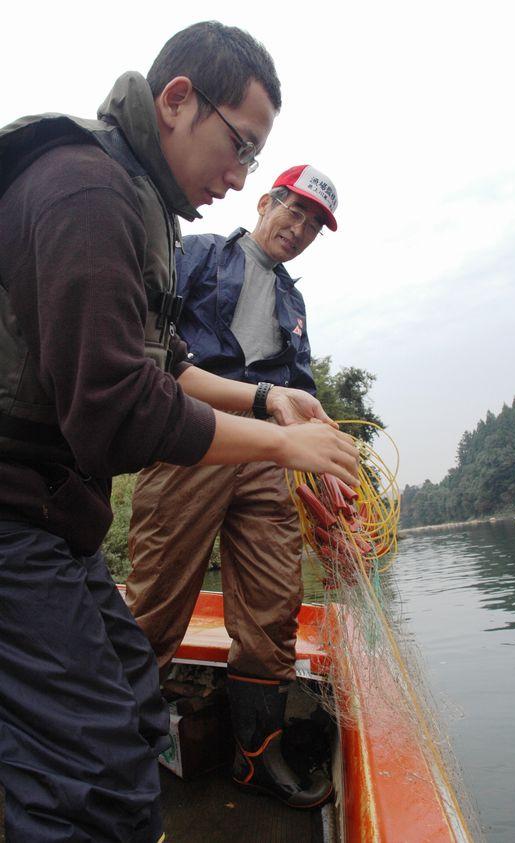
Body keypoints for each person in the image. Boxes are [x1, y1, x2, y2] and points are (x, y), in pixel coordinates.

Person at [0, 19, 358, 843]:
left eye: (253, 159)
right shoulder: (97, 198)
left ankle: (248, 746)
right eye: (238, 148)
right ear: (176, 100)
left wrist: (274, 407)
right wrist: (277, 438)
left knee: (132, 685)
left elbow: (159, 362)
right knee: (101, 765)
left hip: (61, 510)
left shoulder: (149, 208)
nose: (238, 176)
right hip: (28, 508)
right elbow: (123, 404)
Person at [127, 164, 340, 810]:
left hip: (265, 458)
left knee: (274, 601)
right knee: (156, 598)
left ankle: (256, 754)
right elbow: (155, 347)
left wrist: (319, 470)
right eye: (294, 211)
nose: (299, 229)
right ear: (265, 201)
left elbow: (296, 399)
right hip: (190, 438)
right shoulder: (196, 255)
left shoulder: (293, 305)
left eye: (312, 224)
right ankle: (113, 751)